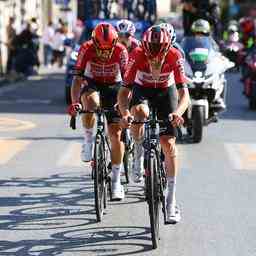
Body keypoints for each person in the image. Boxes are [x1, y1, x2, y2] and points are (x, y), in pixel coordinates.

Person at [117, 25, 190, 223]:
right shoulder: (137, 54)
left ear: (167, 49)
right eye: (151, 56)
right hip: (143, 90)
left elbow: (185, 95)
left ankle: (171, 200)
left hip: (167, 92)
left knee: (168, 143)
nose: (155, 60)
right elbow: (123, 93)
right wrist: (125, 114)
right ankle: (139, 152)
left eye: (159, 56)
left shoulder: (175, 55)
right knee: (139, 113)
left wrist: (177, 112)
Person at [68, 23, 128, 200]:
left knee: (115, 135)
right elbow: (77, 80)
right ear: (93, 42)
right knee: (91, 101)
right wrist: (74, 103)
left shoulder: (121, 51)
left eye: (107, 49)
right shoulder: (85, 48)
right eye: (99, 49)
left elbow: (128, 84)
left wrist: (123, 106)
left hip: (114, 86)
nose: (103, 53)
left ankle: (116, 181)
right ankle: (88, 139)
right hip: (92, 82)